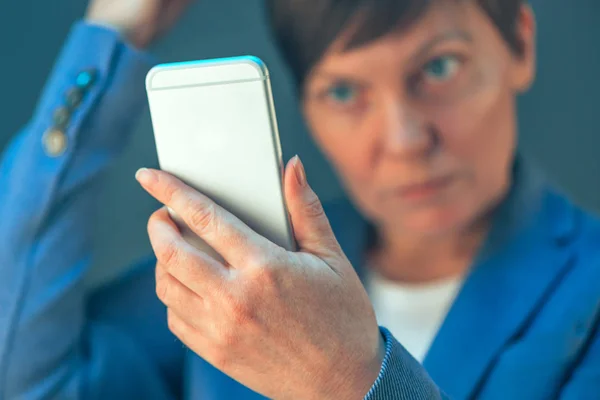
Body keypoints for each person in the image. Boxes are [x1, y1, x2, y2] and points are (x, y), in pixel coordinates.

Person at [0, 0, 599, 398]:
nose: (405, 140)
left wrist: (353, 379)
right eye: (343, 91)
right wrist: (114, 33)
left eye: (440, 67)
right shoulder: (250, 266)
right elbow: (25, 372)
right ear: (304, 107)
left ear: (520, 43)